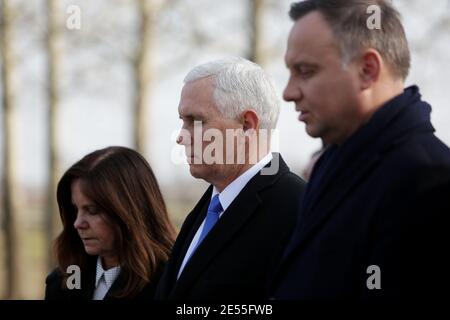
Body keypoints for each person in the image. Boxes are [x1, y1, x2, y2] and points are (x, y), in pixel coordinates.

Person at [269, 0, 450, 300]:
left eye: (305, 71)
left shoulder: (429, 184)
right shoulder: (334, 163)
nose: (288, 92)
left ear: (367, 69)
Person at [155, 57, 306, 300]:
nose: (181, 137)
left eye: (196, 121)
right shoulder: (207, 207)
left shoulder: (299, 210)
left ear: (247, 125)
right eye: (183, 121)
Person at [45, 146, 176, 300]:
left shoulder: (172, 283)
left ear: (130, 211)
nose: (78, 223)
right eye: (75, 210)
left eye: (92, 210)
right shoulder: (63, 282)